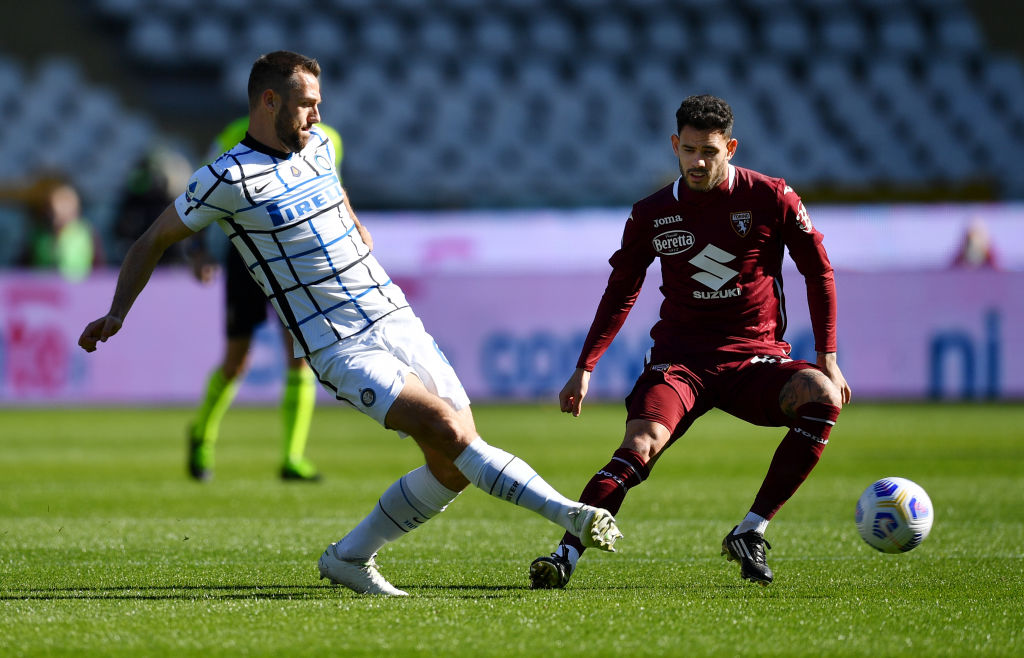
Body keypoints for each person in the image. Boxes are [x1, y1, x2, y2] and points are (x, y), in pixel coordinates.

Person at [78, 50, 621, 596]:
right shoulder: (227, 176)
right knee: (451, 433)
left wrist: (355, 229)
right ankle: (572, 515)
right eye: (307, 104)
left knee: (452, 466)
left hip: (394, 315)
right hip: (337, 342)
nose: (317, 116)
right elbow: (153, 240)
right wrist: (117, 312)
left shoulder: (318, 148)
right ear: (270, 101)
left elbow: (337, 197)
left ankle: (349, 557)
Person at [528, 94, 852, 590]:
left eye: (711, 152)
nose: (699, 162)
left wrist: (828, 359)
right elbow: (621, 289)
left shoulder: (772, 197)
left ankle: (751, 530)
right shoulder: (652, 213)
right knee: (639, 446)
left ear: (732, 148)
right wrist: (585, 365)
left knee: (822, 397)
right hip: (681, 364)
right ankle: (564, 554)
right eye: (690, 151)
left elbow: (819, 271)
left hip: (754, 361)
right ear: (675, 146)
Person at [184, 118, 344, 482]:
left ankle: (292, 458)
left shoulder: (327, 139)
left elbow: (331, 197)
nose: (312, 110)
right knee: (237, 362)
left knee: (300, 358)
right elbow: (201, 193)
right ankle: (201, 435)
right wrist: (197, 250)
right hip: (246, 259)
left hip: (297, 263)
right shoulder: (231, 134)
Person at [16, 176, 103, 281]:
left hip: (79, 291)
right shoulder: (38, 235)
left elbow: (99, 270)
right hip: (45, 290)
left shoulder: (87, 233)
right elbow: (22, 267)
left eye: (67, 205)